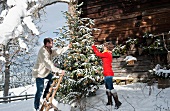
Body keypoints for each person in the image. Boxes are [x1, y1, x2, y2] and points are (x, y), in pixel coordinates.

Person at [32, 38, 70, 111]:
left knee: (52, 79)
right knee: (39, 90)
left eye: (52, 43)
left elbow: (58, 52)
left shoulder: (49, 50)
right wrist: (59, 71)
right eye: (51, 43)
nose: (52, 44)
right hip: (39, 73)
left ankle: (45, 97)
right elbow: (49, 65)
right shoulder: (43, 52)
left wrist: (67, 47)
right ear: (46, 44)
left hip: (45, 73)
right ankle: (36, 107)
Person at [92, 42, 122, 109]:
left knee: (111, 88)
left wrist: (93, 47)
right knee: (108, 89)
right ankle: (110, 102)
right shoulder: (106, 53)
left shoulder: (107, 53)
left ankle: (118, 103)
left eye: (104, 46)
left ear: (107, 47)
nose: (103, 47)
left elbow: (98, 54)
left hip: (108, 74)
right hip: (106, 73)